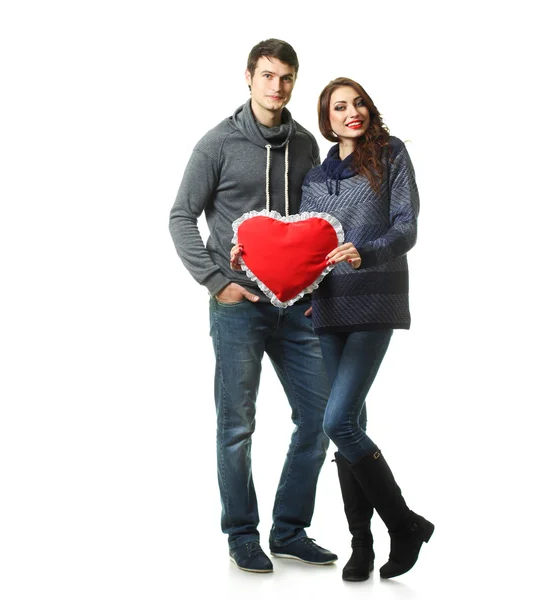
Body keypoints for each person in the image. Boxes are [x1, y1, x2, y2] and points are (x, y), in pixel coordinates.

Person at [168, 39, 337, 573]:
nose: (277, 86)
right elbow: (180, 217)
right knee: (237, 424)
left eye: (286, 77)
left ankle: (289, 530)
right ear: (248, 77)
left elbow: (316, 222)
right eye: (267, 75)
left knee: (322, 415)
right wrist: (217, 281)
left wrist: (319, 288)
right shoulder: (217, 144)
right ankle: (242, 532)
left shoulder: (307, 146)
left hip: (298, 307)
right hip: (239, 303)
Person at [298, 77, 434, 581]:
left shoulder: (391, 154)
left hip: (375, 298)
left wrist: (366, 251)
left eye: (358, 103)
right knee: (350, 425)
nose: (351, 112)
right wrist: (302, 289)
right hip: (328, 309)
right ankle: (362, 547)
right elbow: (309, 245)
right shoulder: (314, 178)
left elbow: (407, 226)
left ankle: (404, 524)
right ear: (327, 119)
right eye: (339, 107)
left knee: (339, 422)